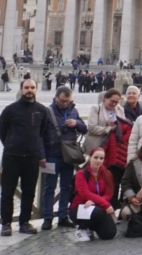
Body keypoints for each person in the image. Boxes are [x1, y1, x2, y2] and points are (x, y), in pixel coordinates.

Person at [0, 78, 49, 237]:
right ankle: (6, 224)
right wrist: (11, 145)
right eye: (27, 87)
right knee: (7, 192)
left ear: (36, 89)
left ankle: (24, 222)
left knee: (29, 192)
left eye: (32, 87)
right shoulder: (10, 110)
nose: (29, 90)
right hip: (12, 156)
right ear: (21, 89)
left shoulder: (42, 110)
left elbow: (42, 132)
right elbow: (2, 131)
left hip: (31, 158)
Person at [42, 85, 87, 230]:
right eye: (62, 101)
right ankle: (47, 218)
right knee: (49, 187)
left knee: (66, 187)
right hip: (51, 155)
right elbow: (40, 135)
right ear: (56, 98)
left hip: (69, 156)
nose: (65, 103)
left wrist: (76, 123)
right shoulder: (47, 112)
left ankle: (63, 216)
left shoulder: (73, 110)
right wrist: (41, 155)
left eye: (67, 101)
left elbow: (84, 128)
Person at [69, 147, 117, 241]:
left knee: (109, 233)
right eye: (95, 157)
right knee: (97, 211)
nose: (98, 161)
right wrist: (105, 205)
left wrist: (96, 202)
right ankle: (81, 229)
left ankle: (91, 227)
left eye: (101, 158)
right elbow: (85, 193)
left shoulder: (107, 174)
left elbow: (109, 193)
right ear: (90, 157)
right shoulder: (81, 174)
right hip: (79, 207)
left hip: (98, 206)